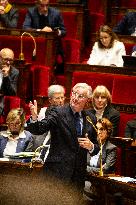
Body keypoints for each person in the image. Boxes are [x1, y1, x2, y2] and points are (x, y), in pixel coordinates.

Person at [27, 83, 98, 193]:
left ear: (87, 100)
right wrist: (34, 118)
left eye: (80, 96)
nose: (75, 98)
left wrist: (91, 146)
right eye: (74, 94)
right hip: (57, 172)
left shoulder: (91, 118)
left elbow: (97, 147)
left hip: (77, 176)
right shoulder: (58, 112)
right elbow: (39, 129)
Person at [23, 0, 66, 74]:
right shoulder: (31, 12)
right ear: (36, 4)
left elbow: (64, 31)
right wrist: (41, 31)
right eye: (42, 6)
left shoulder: (56, 13)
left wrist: (55, 32)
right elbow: (25, 28)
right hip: (36, 44)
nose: (45, 8)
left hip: (53, 45)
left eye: (47, 5)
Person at [25, 84, 66, 162]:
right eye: (57, 98)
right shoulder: (44, 112)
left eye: (62, 97)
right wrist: (34, 116)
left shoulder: (68, 113)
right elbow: (37, 130)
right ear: (50, 100)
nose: (61, 101)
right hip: (41, 150)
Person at [84, 118, 117, 201]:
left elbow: (105, 170)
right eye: (97, 129)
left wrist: (85, 168)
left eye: (102, 129)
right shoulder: (90, 145)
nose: (98, 132)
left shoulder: (111, 148)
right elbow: (81, 163)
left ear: (108, 131)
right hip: (85, 178)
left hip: (99, 184)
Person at [0, 48, 19, 115]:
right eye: (6, 59)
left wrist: (6, 76)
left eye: (10, 60)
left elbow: (13, 93)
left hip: (2, 101)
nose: (8, 63)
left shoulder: (14, 72)